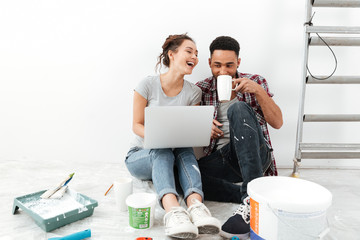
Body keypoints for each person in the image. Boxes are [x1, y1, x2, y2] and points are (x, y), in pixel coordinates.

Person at [125, 34, 220, 239]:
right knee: (162, 149)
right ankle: (173, 211)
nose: (194, 57)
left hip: (176, 153)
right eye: (189, 51)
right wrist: (159, 137)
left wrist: (202, 126)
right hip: (140, 154)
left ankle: (196, 206)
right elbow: (136, 125)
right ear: (171, 54)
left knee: (184, 149)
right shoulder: (147, 85)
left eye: (196, 54)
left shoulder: (193, 92)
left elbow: (189, 134)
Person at [195, 36, 283, 239]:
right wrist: (202, 126)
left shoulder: (256, 82)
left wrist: (259, 92)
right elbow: (192, 133)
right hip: (222, 159)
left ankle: (250, 203)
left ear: (238, 63)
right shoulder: (201, 89)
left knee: (239, 109)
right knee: (182, 172)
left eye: (229, 65)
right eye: (217, 65)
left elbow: (277, 123)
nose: (223, 71)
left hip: (257, 155)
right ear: (209, 63)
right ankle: (250, 196)